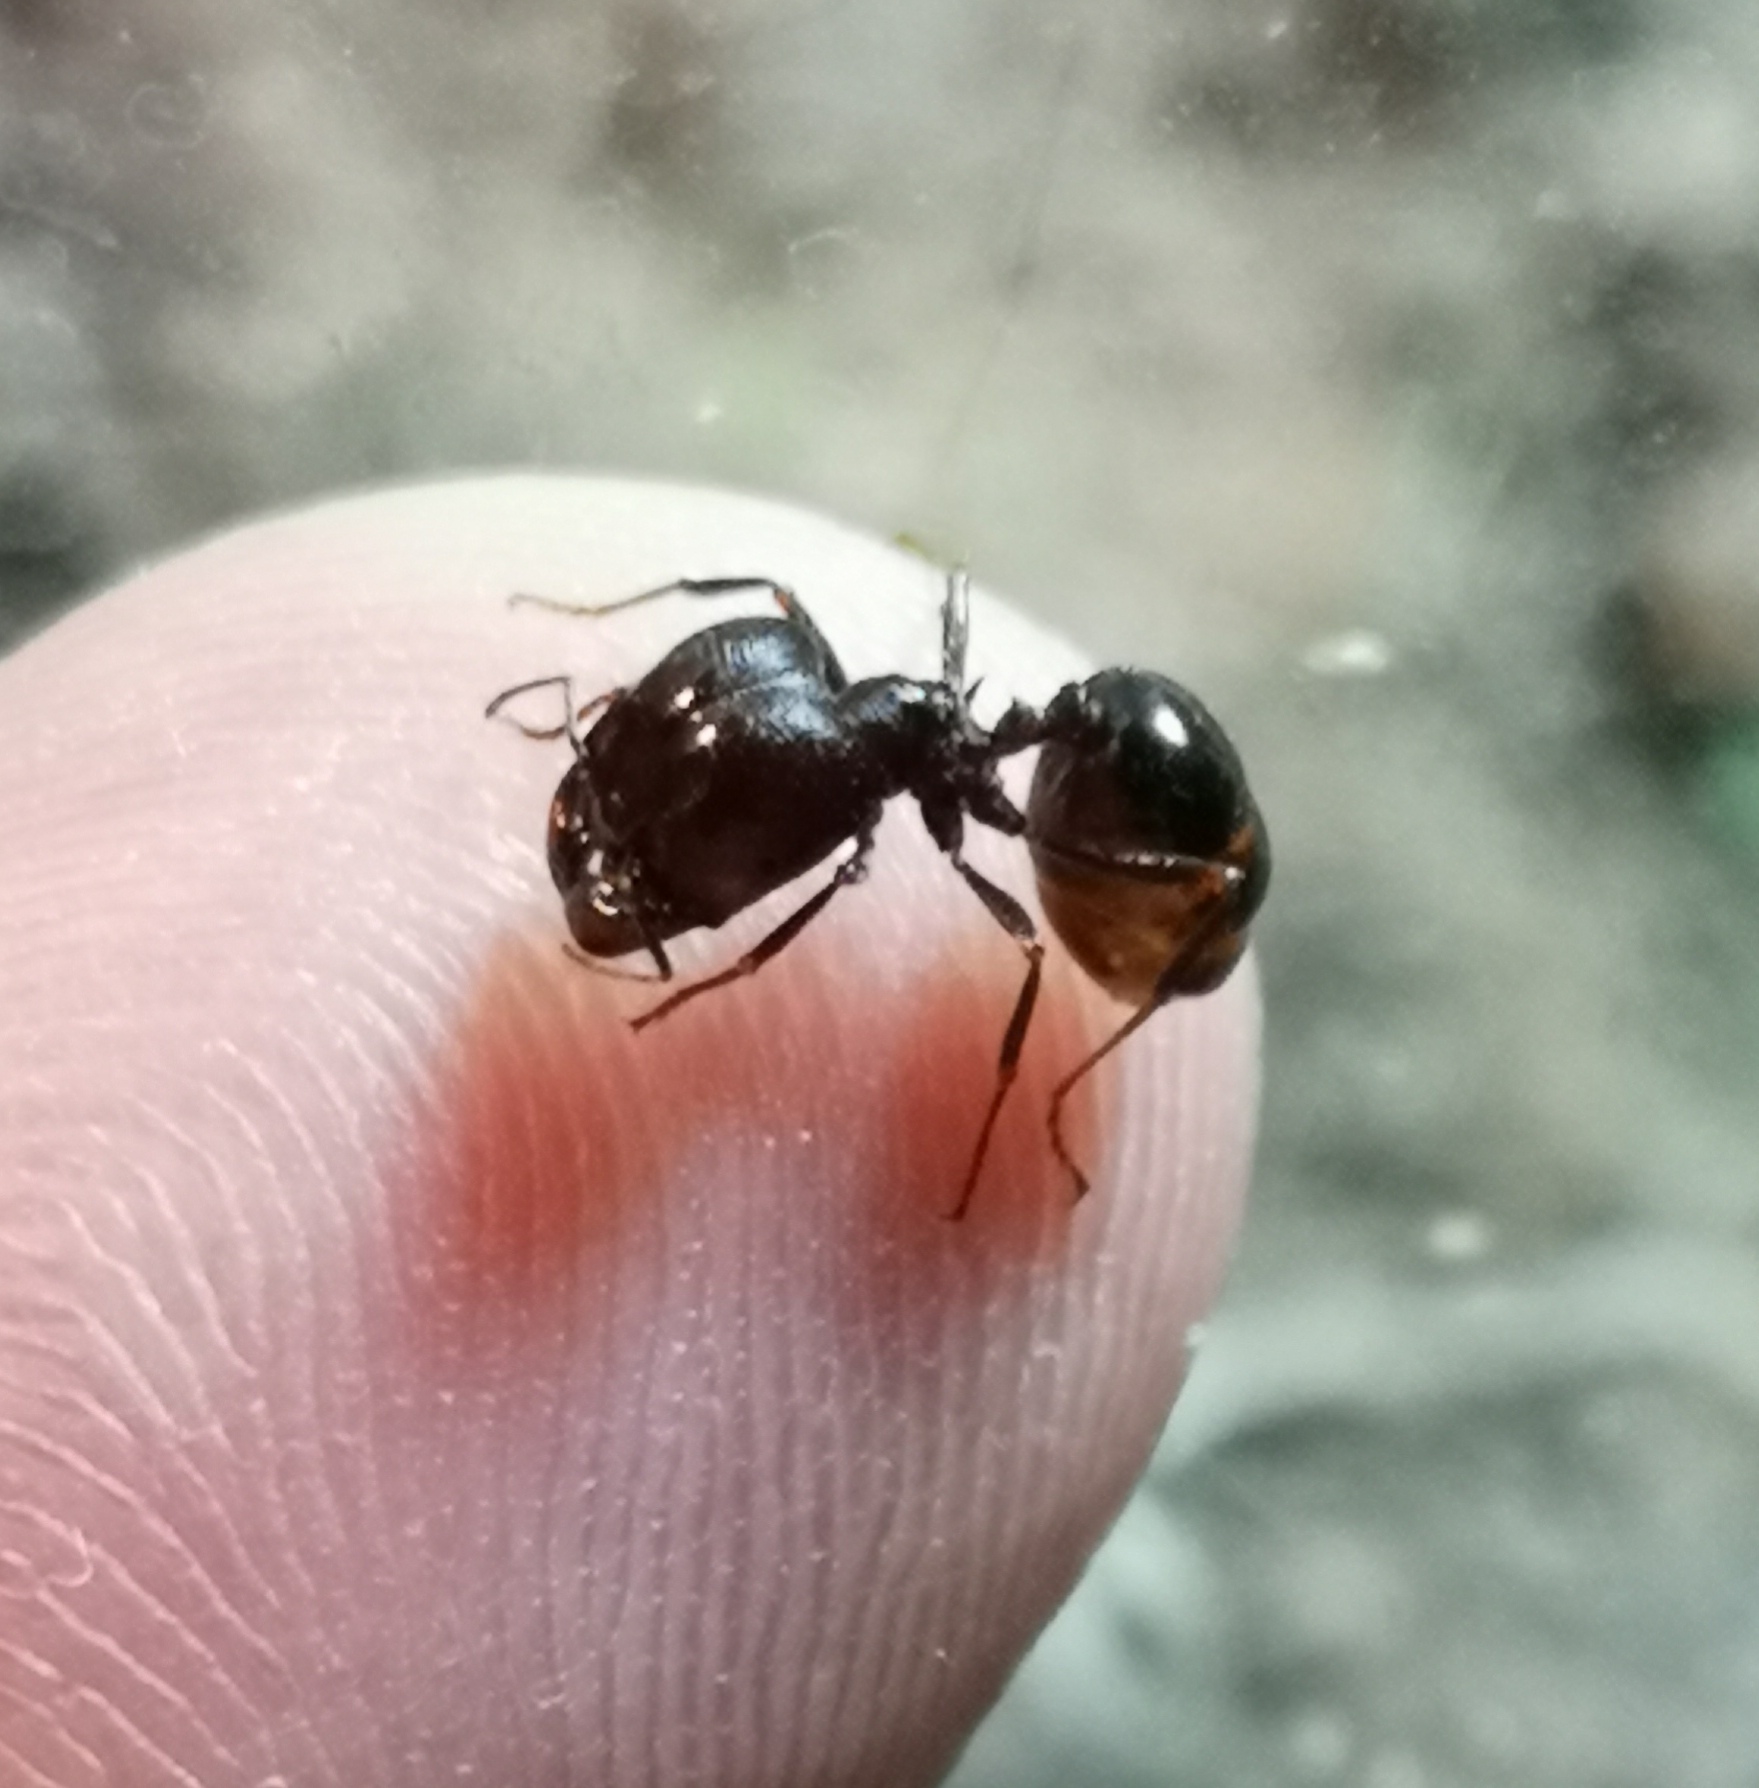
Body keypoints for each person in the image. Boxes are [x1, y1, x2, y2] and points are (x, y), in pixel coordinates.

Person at [0, 477, 1259, 1787]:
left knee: (1009, 937)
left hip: (1107, 831)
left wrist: (993, 1087)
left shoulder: (900, 767)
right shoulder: (842, 737)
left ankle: (998, 1071)